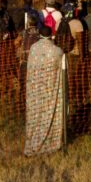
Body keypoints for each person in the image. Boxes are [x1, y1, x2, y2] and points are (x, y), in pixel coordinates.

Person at [24, 26, 64, 156]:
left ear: (39, 34)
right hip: (49, 90)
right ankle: (49, 143)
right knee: (48, 114)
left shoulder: (33, 48)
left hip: (34, 91)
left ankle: (32, 144)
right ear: (52, 35)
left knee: (35, 115)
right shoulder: (57, 51)